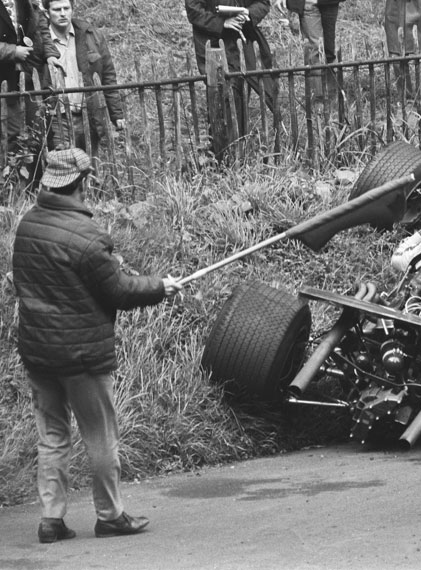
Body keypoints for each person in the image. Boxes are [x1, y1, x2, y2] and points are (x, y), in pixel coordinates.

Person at [12, 148, 182, 542]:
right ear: (81, 183)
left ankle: (51, 520)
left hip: (39, 352)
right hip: (83, 356)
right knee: (100, 436)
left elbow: (20, 281)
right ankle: (110, 515)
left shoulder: (27, 225)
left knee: (52, 436)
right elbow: (119, 290)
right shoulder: (88, 238)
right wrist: (161, 286)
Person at [185, 0, 278, 136]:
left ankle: (240, 145)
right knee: (221, 93)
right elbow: (194, 10)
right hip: (214, 43)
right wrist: (222, 23)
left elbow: (262, 3)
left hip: (242, 41)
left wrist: (248, 13)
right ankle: (221, 150)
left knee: (243, 91)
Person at [43, 0, 125, 153]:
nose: (62, 13)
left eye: (66, 8)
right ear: (47, 12)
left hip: (87, 113)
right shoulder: (41, 41)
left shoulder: (90, 35)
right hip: (58, 118)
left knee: (90, 166)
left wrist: (116, 113)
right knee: (64, 169)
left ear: (72, 9)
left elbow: (107, 75)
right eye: (56, 9)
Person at [0, 0, 60, 157]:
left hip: (31, 75)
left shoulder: (28, 3)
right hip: (4, 80)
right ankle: (12, 178)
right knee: (12, 134)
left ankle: (38, 179)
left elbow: (43, 30)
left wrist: (51, 54)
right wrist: (12, 51)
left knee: (38, 130)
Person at [273, 0, 343, 104]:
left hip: (329, 3)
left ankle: (333, 98)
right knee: (314, 49)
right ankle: (318, 99)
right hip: (307, 3)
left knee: (330, 50)